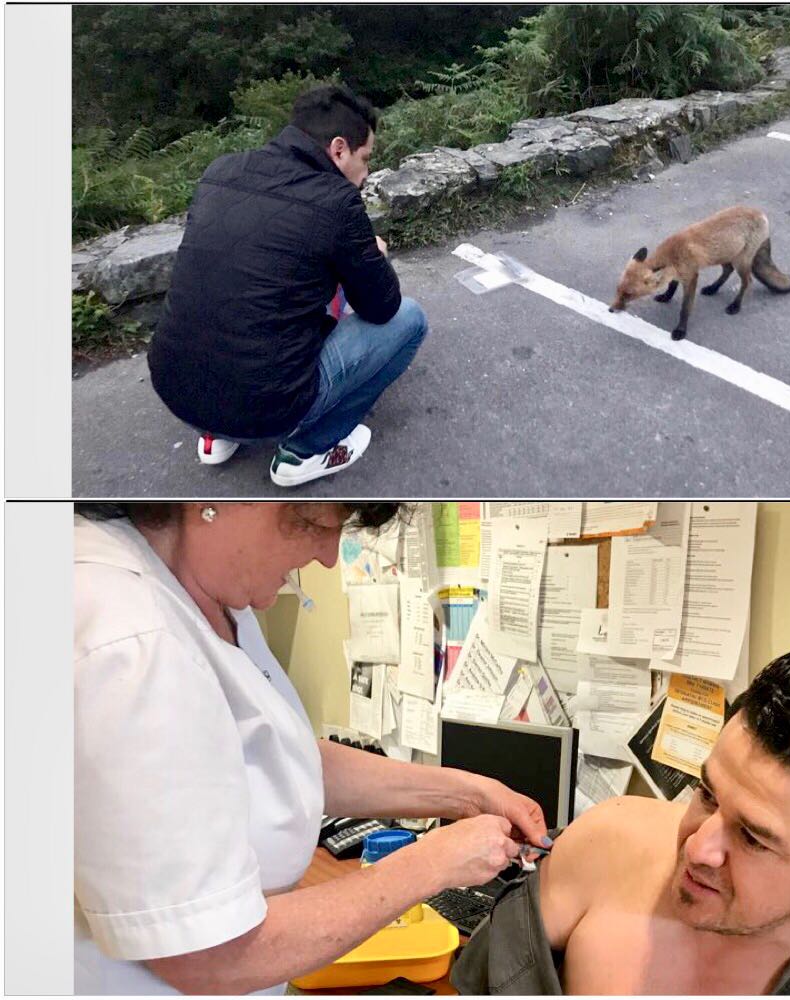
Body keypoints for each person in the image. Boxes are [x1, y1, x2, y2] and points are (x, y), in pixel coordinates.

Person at [74, 502, 550, 994]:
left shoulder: (210, 585)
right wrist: (431, 864)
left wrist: (468, 794)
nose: (327, 557)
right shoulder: (134, 641)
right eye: (313, 525)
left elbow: (276, 754)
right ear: (208, 504)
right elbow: (207, 958)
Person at [452, 645, 790, 995]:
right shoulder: (606, 843)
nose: (697, 847)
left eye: (754, 839)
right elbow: (478, 983)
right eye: (707, 793)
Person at [148, 84, 428, 488]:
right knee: (410, 319)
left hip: (177, 389)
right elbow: (382, 308)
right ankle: (307, 450)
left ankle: (217, 436)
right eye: (365, 160)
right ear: (338, 150)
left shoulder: (221, 172)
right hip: (268, 409)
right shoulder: (335, 201)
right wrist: (371, 253)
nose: (365, 174)